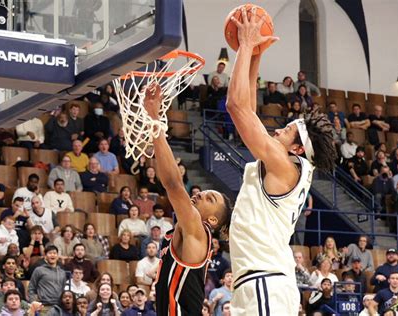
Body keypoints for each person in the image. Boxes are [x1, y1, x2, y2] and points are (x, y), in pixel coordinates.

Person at [226, 11, 336, 314]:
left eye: (286, 131)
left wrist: (246, 45)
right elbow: (246, 106)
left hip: (264, 281)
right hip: (264, 280)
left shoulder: (286, 167)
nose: (277, 130)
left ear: (299, 148)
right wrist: (255, 56)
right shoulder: (289, 166)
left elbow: (235, 106)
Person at [143, 82, 232, 314]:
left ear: (212, 221)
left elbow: (173, 184)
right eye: (205, 193)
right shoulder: (185, 231)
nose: (201, 194)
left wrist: (154, 119)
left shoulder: (198, 230)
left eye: (210, 199)